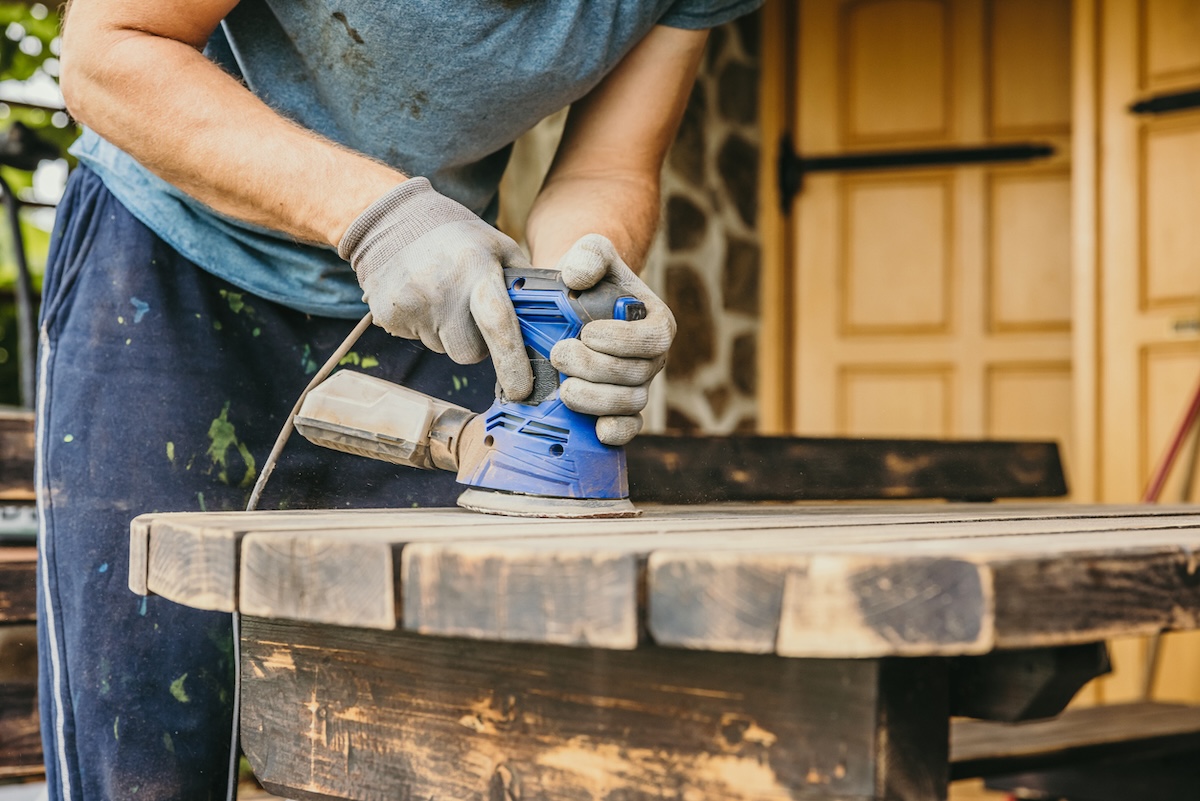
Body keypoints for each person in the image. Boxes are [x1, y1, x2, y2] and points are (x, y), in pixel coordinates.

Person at [37, 1, 761, 799]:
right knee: (147, 737)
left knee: (432, 738)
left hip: (441, 297)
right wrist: (380, 220)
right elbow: (108, 51)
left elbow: (607, 169)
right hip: (170, 262)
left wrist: (581, 297)